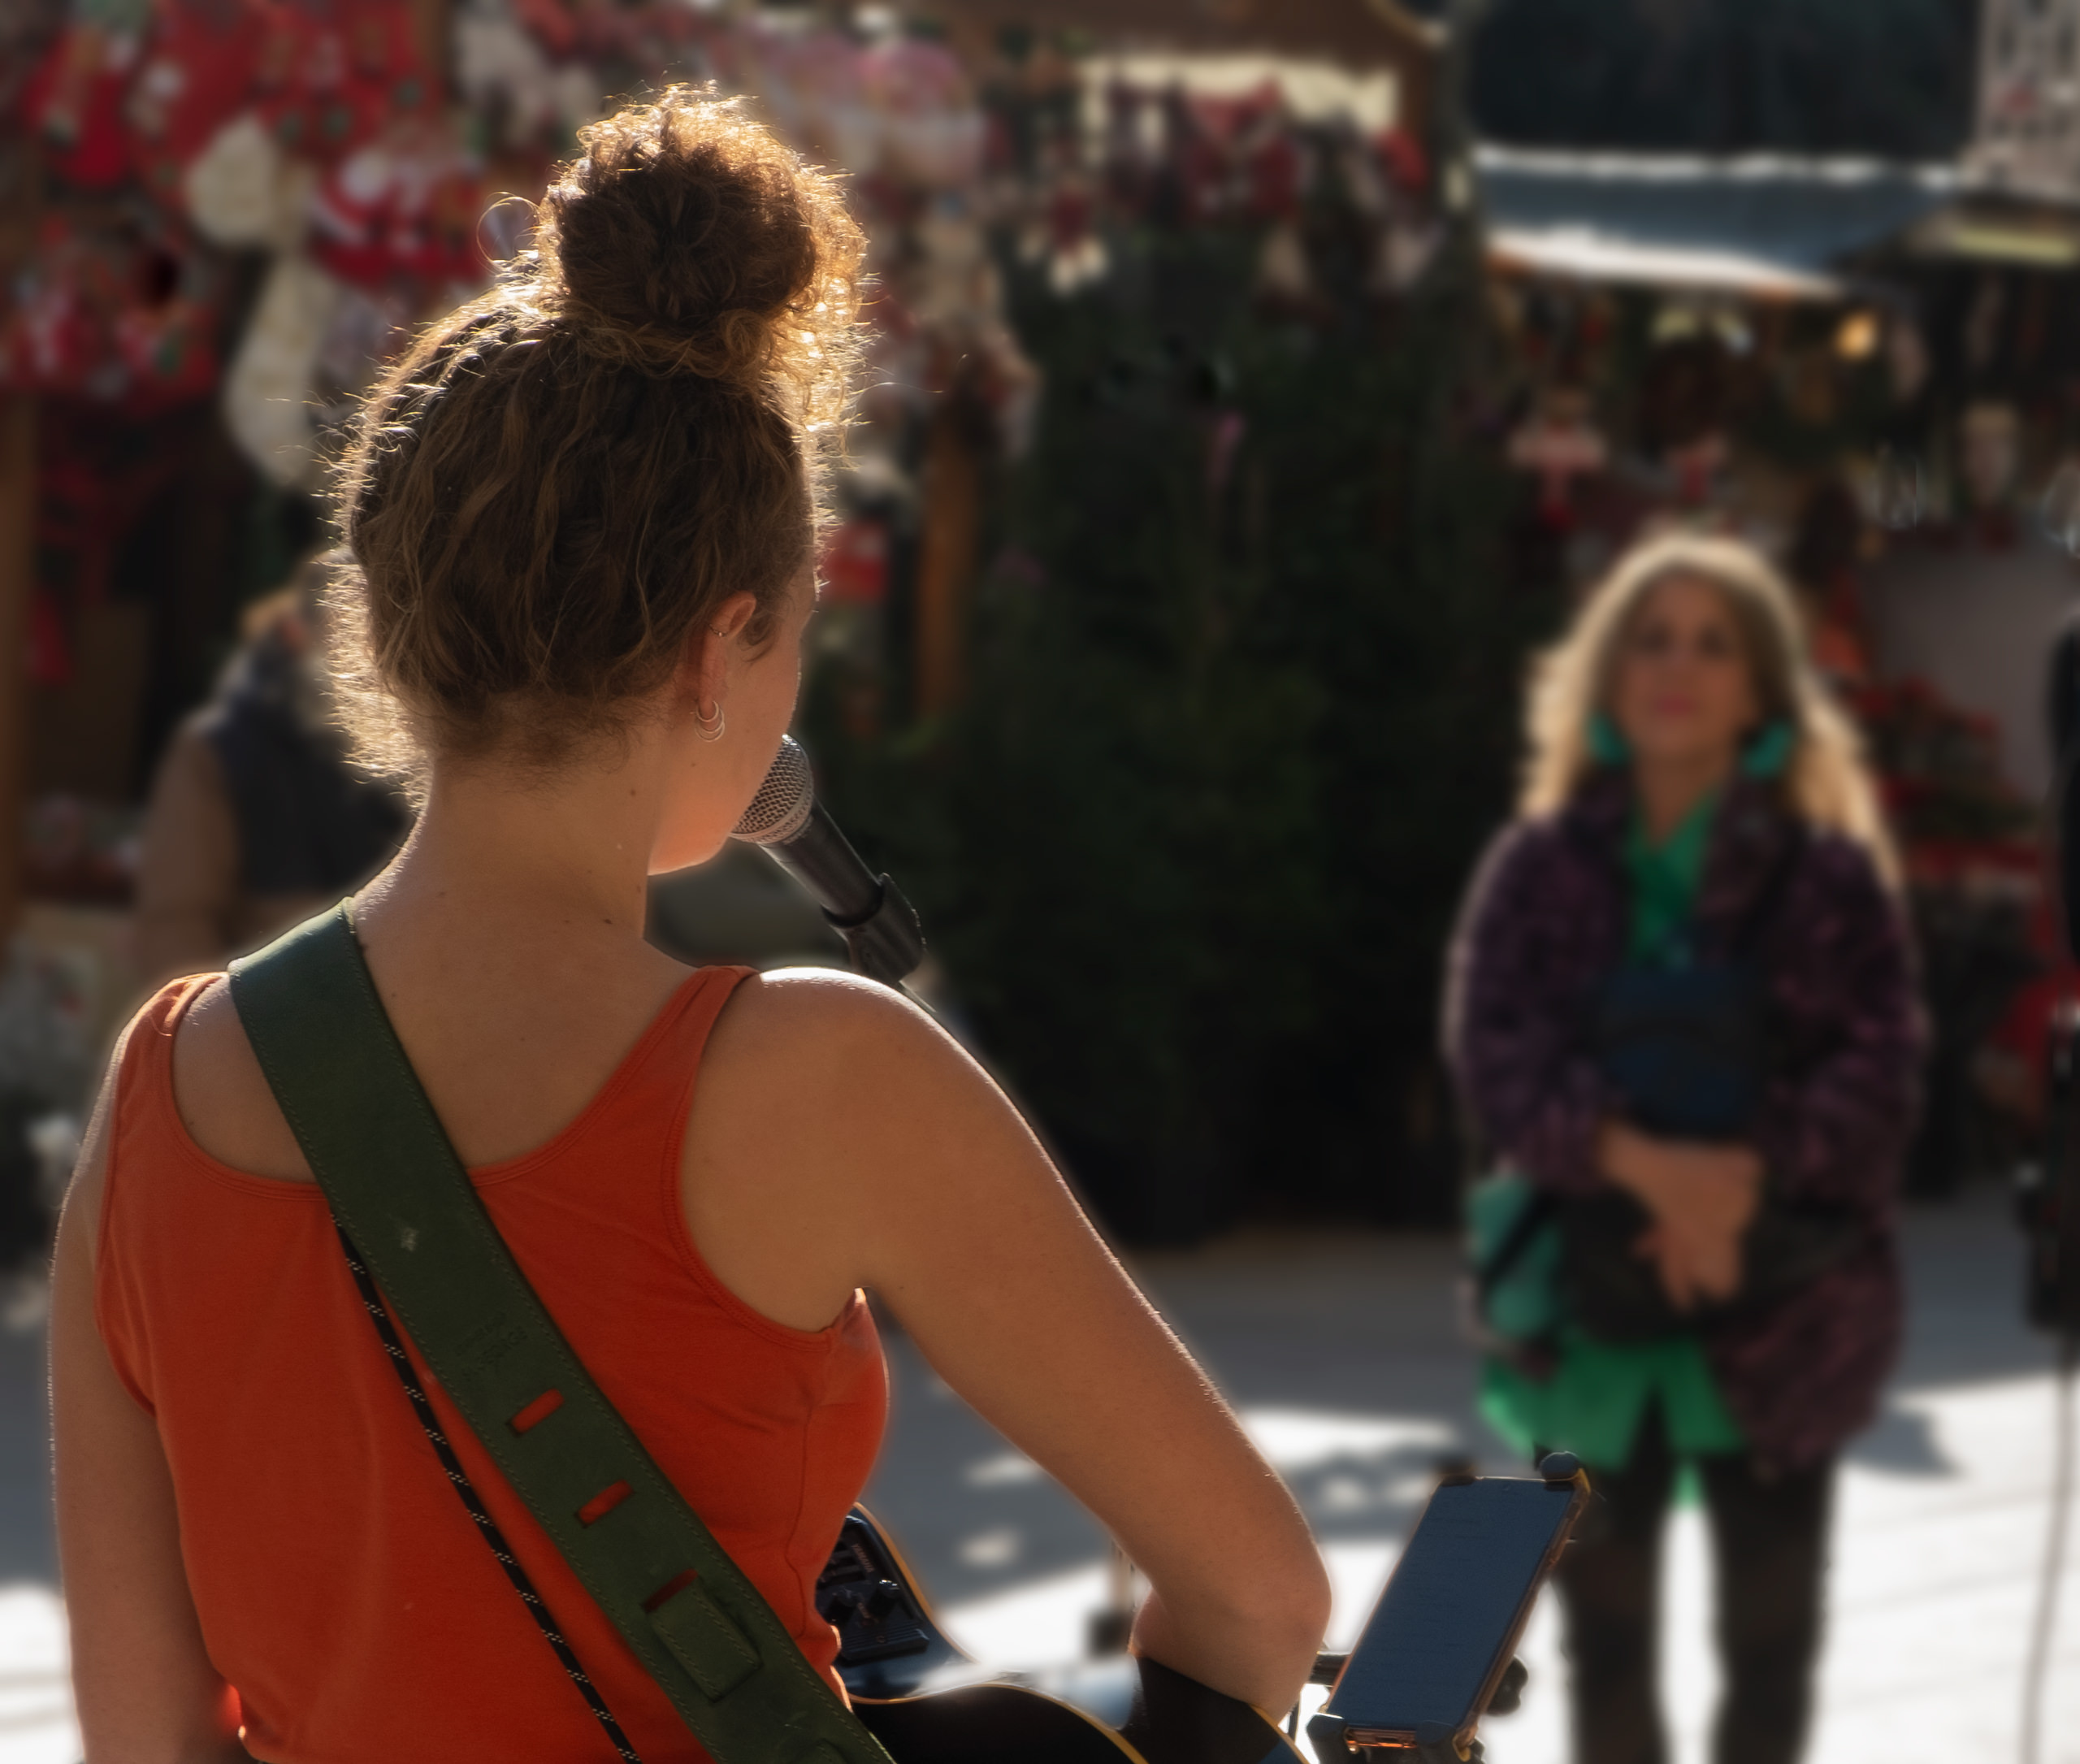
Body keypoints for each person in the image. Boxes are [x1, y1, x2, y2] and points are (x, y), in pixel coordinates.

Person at [52, 90, 1330, 1761]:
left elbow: (146, 1740)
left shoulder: (157, 1097)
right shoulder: (825, 1073)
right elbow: (1257, 1590)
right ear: (719, 652)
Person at [1445, 532, 1922, 1764]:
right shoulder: (1541, 867)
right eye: (1652, 638)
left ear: (1759, 689)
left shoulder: (1825, 876)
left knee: (1771, 1653)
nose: (1677, 666)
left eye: (1712, 644)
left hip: (1781, 1318)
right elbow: (1496, 1052)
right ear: (1610, 674)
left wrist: (1731, 1191)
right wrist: (1654, 1171)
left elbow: (1879, 1070)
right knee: (1607, 1655)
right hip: (1590, 1321)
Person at [132, 555, 409, 985]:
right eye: (351, 639)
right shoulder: (218, 751)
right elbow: (176, 926)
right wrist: (227, 1024)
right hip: (266, 1003)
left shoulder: (422, 751)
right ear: (298, 634)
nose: (368, 664)